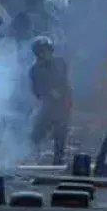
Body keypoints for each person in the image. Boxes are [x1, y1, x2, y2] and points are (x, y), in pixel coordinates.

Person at [29, 35, 72, 165]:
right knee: (36, 135)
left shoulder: (60, 63)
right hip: (47, 105)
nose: (44, 54)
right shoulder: (35, 69)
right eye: (41, 52)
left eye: (46, 50)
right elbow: (37, 90)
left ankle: (58, 159)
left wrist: (60, 94)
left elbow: (64, 82)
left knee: (60, 132)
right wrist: (48, 92)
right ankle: (33, 158)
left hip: (62, 105)